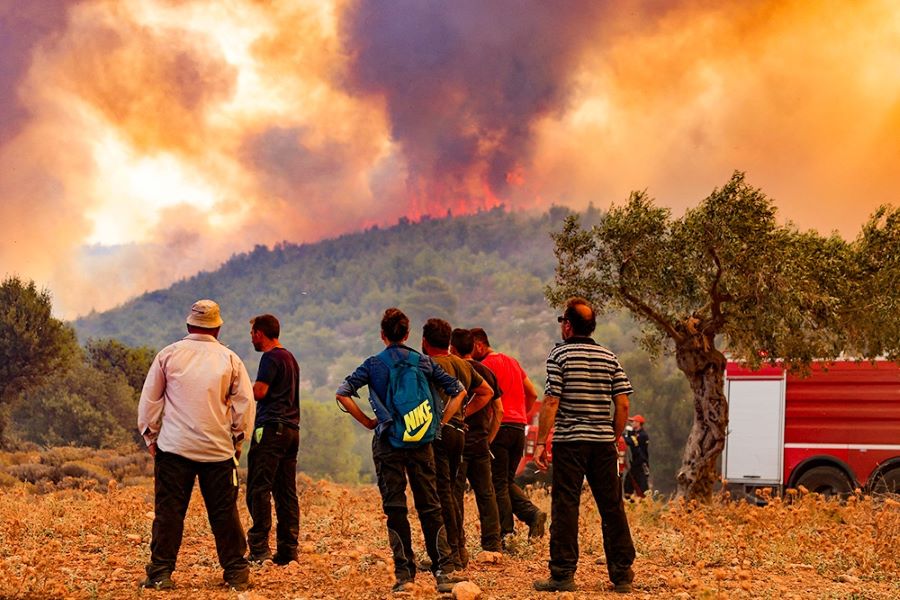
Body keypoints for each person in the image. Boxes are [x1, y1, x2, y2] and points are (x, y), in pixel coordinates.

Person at [335, 308, 469, 594]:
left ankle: (404, 575)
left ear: (382, 335)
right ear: (408, 334)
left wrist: (368, 421)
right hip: (421, 442)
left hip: (387, 443)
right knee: (430, 506)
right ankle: (443, 570)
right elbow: (459, 391)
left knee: (395, 508)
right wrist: (438, 423)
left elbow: (342, 393)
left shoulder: (373, 365)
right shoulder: (423, 362)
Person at [137, 299, 255, 591]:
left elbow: (150, 400)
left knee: (169, 512)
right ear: (217, 328)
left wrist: (151, 436)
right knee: (224, 512)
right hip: (217, 451)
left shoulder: (169, 355)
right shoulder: (230, 359)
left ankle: (160, 573)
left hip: (175, 449)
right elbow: (244, 404)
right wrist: (237, 439)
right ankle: (236, 573)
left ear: (189, 325)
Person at [532, 297, 636, 594]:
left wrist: (541, 442)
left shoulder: (559, 356)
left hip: (570, 442)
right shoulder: (609, 357)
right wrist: (612, 436)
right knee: (612, 506)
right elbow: (624, 403)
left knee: (566, 504)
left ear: (567, 325)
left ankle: (563, 574)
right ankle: (622, 574)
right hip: (603, 443)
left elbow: (552, 400)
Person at [421, 318, 493, 570]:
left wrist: (441, 419)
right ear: (448, 341)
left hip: (438, 434)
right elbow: (486, 392)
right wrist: (463, 411)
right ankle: (459, 548)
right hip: (459, 433)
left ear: (424, 342)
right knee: (452, 491)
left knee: (441, 493)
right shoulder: (462, 365)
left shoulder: (428, 365)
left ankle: (450, 552)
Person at [471, 327, 547, 542]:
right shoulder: (512, 362)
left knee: (497, 483)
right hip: (518, 429)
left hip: (499, 427)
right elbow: (532, 393)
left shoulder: (483, 366)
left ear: (479, 345)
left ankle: (506, 533)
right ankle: (532, 515)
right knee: (505, 480)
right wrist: (522, 413)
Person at [246, 314, 301, 565]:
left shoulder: (270, 357)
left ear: (260, 333)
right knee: (286, 491)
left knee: (259, 488)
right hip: (291, 430)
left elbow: (260, 391)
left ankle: (259, 550)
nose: (252, 339)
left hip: (270, 429)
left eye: (252, 334)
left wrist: (236, 389)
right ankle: (288, 551)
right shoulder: (290, 358)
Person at [450, 327, 504, 558]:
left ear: (452, 348)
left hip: (459, 443)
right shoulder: (486, 371)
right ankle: (492, 544)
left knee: (455, 494)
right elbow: (499, 411)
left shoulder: (453, 371)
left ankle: (458, 545)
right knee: (486, 493)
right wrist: (488, 438)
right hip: (481, 442)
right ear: (473, 347)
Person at [623, 415, 650, 499]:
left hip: (640, 463)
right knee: (628, 484)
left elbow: (631, 441)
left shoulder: (642, 435)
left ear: (638, 423)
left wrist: (624, 436)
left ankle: (646, 505)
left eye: (633, 421)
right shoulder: (636, 434)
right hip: (635, 464)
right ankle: (630, 503)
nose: (631, 423)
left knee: (643, 487)